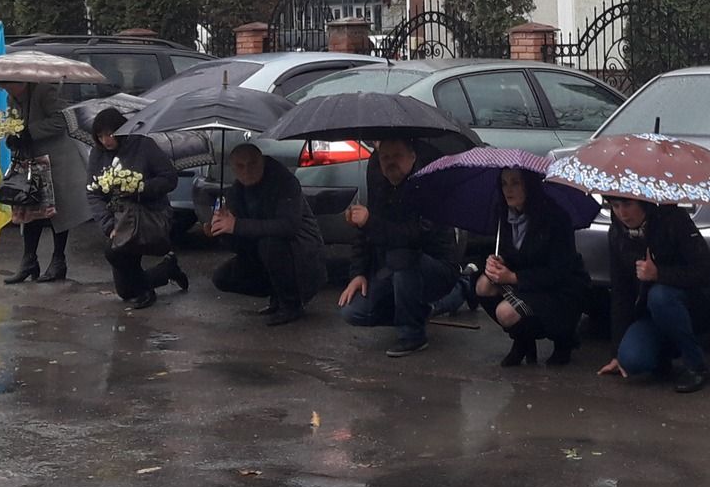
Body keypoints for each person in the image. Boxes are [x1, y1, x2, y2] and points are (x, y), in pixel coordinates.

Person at [338, 138, 465, 357]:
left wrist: (370, 222)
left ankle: (413, 334)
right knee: (353, 312)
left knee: (401, 258)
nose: (390, 162)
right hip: (395, 269)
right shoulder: (380, 185)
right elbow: (365, 236)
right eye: (385, 157)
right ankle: (422, 309)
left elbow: (412, 237)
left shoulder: (428, 187)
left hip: (435, 266)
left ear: (412, 157)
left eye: (397, 156)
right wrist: (358, 273)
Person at [598, 196, 710, 393]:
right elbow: (621, 292)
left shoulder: (674, 220)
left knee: (661, 296)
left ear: (643, 203)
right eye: (615, 206)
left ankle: (696, 365)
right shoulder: (617, 233)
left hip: (693, 302)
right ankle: (662, 353)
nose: (622, 213)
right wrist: (616, 352)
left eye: (628, 205)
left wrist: (659, 274)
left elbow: (707, 273)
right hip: (650, 313)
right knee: (631, 360)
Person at [471, 165, 589, 367]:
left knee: (506, 312)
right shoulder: (503, 214)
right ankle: (523, 340)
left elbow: (559, 272)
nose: (508, 190)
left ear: (529, 185)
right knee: (483, 285)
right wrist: (495, 262)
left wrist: (513, 278)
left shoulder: (554, 218)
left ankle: (563, 339)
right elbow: (507, 253)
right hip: (526, 283)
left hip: (559, 290)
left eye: (515, 183)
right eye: (504, 183)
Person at [209, 142, 326, 325]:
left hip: (302, 253)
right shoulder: (236, 191)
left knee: (270, 244)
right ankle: (277, 295)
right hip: (264, 253)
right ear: (233, 169)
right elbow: (240, 243)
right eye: (240, 166)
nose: (247, 170)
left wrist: (236, 225)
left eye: (252, 164)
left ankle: (291, 304)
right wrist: (220, 231)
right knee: (222, 277)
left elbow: (288, 227)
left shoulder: (284, 181)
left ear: (262, 161)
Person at [87, 106, 184, 309]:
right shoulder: (98, 154)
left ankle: (146, 291)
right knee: (126, 291)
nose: (106, 140)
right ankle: (167, 270)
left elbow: (169, 178)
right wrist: (108, 225)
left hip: (147, 213)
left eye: (109, 134)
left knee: (113, 253)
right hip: (118, 219)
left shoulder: (143, 145)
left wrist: (140, 188)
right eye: (100, 136)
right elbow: (93, 193)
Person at [0, 81, 89, 285]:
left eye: (8, 85)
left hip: (57, 157)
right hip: (31, 159)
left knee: (58, 210)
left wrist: (29, 132)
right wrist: (12, 136)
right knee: (29, 205)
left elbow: (61, 120)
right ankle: (29, 260)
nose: (6, 89)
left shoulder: (45, 90)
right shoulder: (11, 97)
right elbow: (15, 123)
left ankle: (58, 260)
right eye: (3, 86)